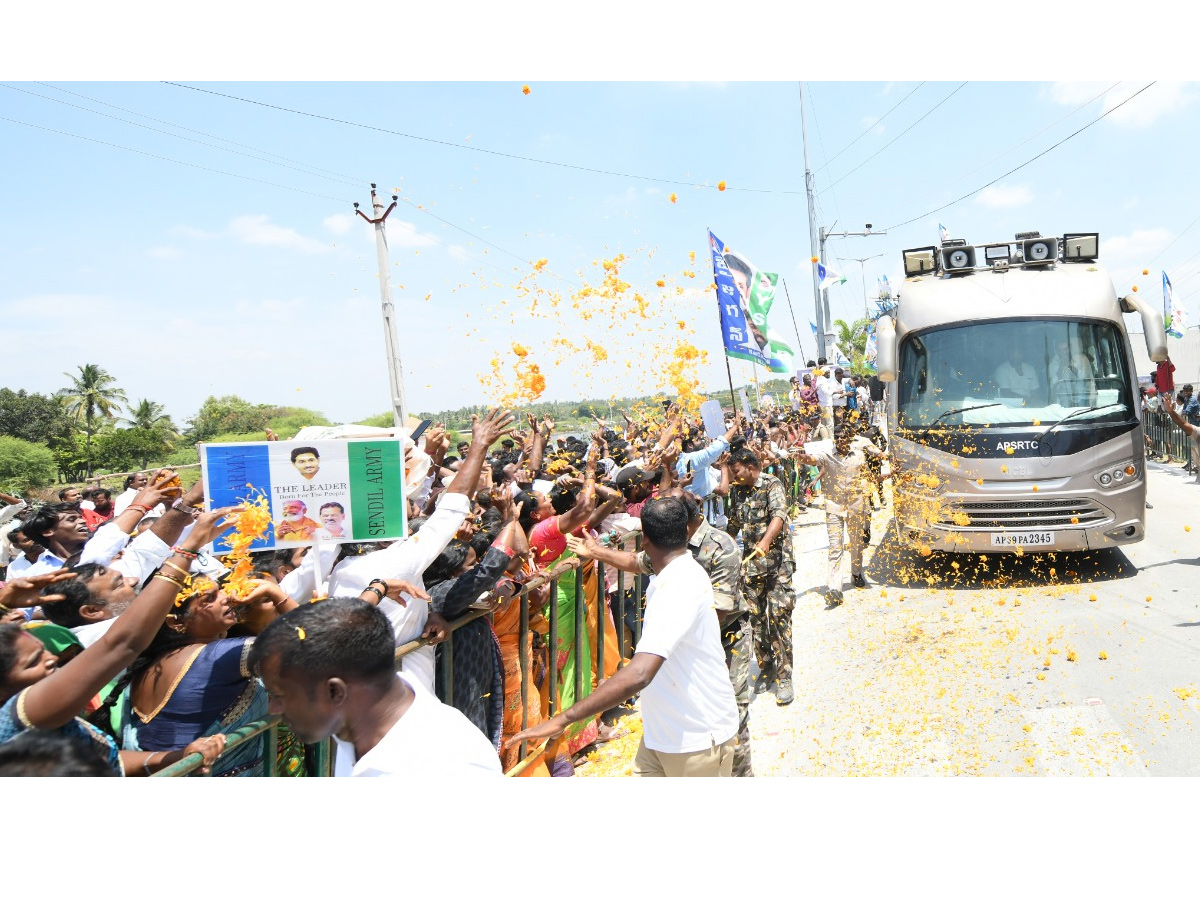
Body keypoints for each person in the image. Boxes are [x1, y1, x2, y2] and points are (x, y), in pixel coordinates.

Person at [508, 497, 739, 777]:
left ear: (644, 540)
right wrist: (595, 551)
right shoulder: (676, 565)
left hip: (697, 739)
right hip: (663, 735)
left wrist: (563, 719)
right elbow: (633, 562)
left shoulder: (677, 586)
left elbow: (640, 673)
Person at [0, 508, 238, 776]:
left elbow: (104, 755)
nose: (53, 659)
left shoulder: (58, 722)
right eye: (33, 661)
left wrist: (167, 759)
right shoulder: (17, 720)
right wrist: (187, 550)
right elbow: (125, 642)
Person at [570, 490, 753, 776]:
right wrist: (594, 551)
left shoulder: (720, 546)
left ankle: (740, 775)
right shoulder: (669, 548)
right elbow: (637, 562)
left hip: (723, 638)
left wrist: (664, 646)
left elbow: (719, 613)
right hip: (678, 648)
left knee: (733, 719)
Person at [251, 598, 503, 777]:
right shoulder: (354, 726)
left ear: (335, 692)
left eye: (281, 695)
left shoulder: (448, 768)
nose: (273, 708)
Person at [717, 446, 796, 705]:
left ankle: (785, 677)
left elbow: (779, 516)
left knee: (779, 617)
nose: (734, 476)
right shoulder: (738, 491)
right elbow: (733, 525)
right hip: (751, 567)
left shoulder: (771, 485)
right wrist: (723, 549)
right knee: (757, 620)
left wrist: (765, 541)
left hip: (777, 565)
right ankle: (766, 667)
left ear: (750, 467)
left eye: (736, 471)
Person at [793, 422, 887, 604]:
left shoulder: (859, 456)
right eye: (838, 437)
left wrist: (890, 475)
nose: (841, 440)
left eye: (844, 437)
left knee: (856, 543)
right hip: (834, 507)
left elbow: (870, 477)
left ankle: (856, 573)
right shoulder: (827, 454)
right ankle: (834, 588)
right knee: (835, 547)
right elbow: (812, 459)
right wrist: (801, 457)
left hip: (856, 506)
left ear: (849, 439)